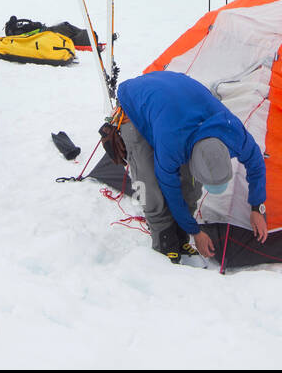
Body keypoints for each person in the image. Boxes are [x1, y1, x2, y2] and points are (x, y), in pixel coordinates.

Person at [113, 70, 268, 263]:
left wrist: (257, 207)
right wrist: (195, 231)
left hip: (174, 101)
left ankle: (180, 237)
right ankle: (164, 240)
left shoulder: (233, 134)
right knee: (149, 185)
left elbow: (256, 164)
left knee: (191, 186)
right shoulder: (173, 145)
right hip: (135, 103)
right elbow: (171, 191)